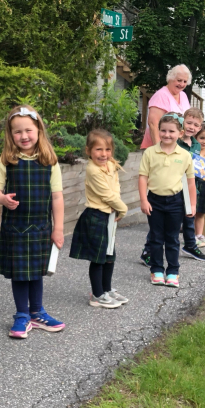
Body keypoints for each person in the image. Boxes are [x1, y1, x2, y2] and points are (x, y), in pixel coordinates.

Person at [0, 105, 66, 338]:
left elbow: (57, 197)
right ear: (10, 134)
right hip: (15, 229)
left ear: (39, 130)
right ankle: (22, 315)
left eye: (28, 130)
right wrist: (2, 199)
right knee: (20, 273)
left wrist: (59, 229)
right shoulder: (6, 161)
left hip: (42, 228)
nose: (23, 136)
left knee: (36, 272)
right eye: (17, 132)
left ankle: (37, 312)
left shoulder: (50, 161)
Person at [69, 129, 129, 309]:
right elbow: (106, 195)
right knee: (98, 257)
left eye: (107, 150)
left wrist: (116, 209)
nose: (104, 154)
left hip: (111, 214)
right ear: (88, 150)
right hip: (97, 216)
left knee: (110, 255)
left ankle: (107, 290)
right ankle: (96, 294)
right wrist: (122, 209)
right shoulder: (93, 170)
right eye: (99, 150)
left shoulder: (111, 165)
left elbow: (115, 188)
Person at [140, 108, 205, 264]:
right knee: (160, 224)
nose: (192, 127)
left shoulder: (196, 144)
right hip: (173, 187)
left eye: (195, 125)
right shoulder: (175, 141)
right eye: (189, 123)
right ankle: (148, 250)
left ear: (199, 127)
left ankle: (190, 244)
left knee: (188, 217)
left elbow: (195, 165)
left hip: (188, 185)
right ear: (182, 126)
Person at [138, 113, 196, 288]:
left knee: (172, 238)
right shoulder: (150, 152)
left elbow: (191, 181)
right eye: (163, 131)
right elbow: (142, 177)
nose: (167, 134)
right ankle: (156, 269)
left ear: (180, 133)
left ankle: (172, 271)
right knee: (156, 237)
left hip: (176, 202)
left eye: (171, 131)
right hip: (154, 200)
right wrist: (143, 200)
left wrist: (192, 204)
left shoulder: (185, 155)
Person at [140, 64, 193, 149]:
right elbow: (153, 124)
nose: (182, 84)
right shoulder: (161, 95)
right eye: (179, 80)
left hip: (176, 146)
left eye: (185, 81)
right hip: (159, 145)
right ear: (170, 79)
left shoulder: (183, 95)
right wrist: (158, 149)